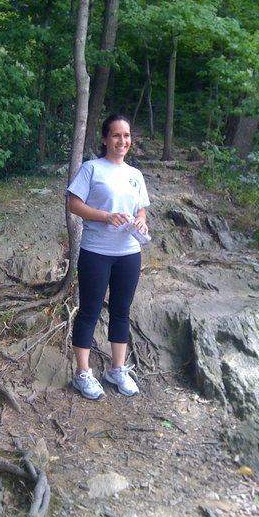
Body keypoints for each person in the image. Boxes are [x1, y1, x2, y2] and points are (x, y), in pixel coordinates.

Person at [67, 114, 150, 400]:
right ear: (105, 139)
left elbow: (141, 208)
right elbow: (73, 204)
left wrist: (141, 221)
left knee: (121, 311)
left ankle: (117, 369)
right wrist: (105, 216)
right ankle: (82, 374)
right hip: (96, 252)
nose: (122, 141)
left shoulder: (135, 174)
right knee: (89, 311)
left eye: (126, 136)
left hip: (129, 253)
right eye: (116, 135)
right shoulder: (91, 169)